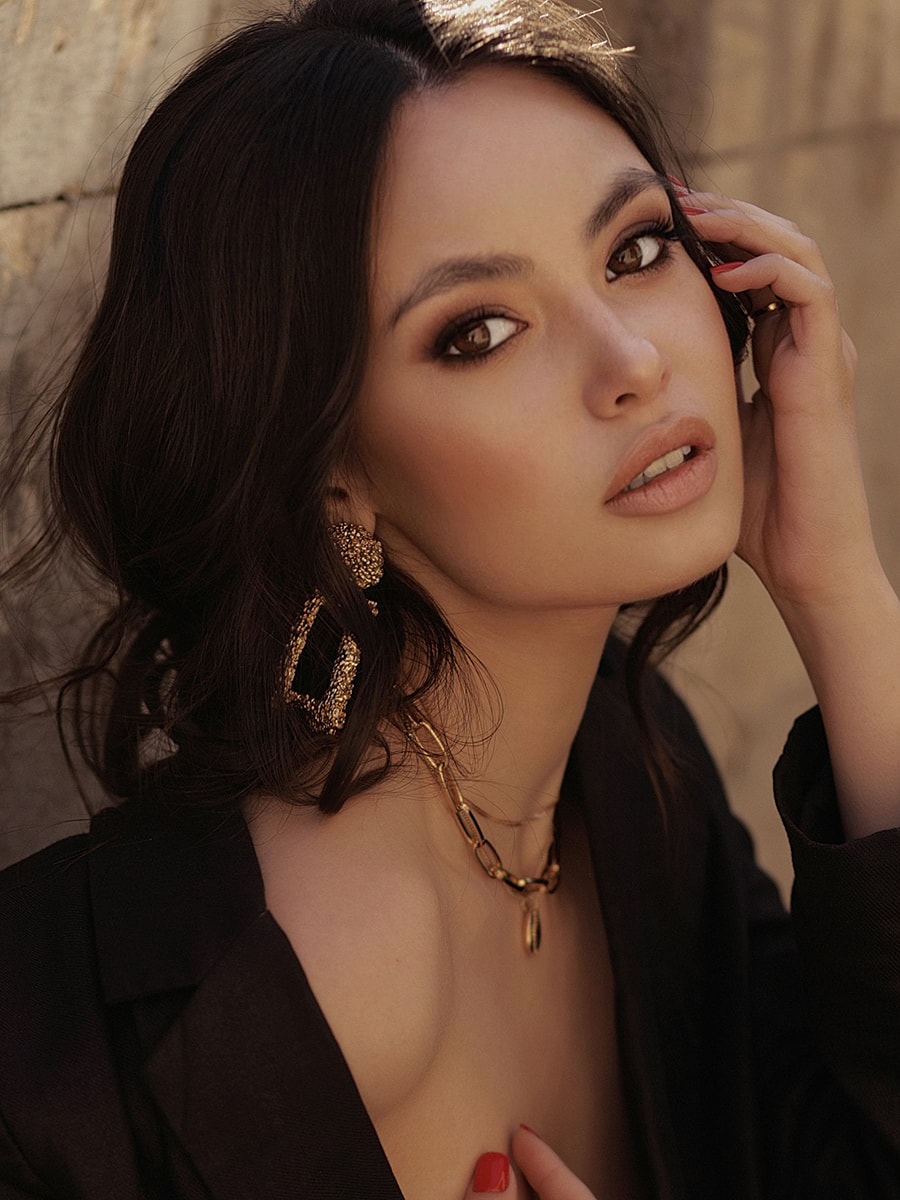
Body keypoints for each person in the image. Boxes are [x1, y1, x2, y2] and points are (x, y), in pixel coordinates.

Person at [1, 0, 899, 1196]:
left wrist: (839, 587)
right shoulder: (78, 1043)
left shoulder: (634, 778)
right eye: (479, 331)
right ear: (333, 473)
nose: (634, 363)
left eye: (634, 251)